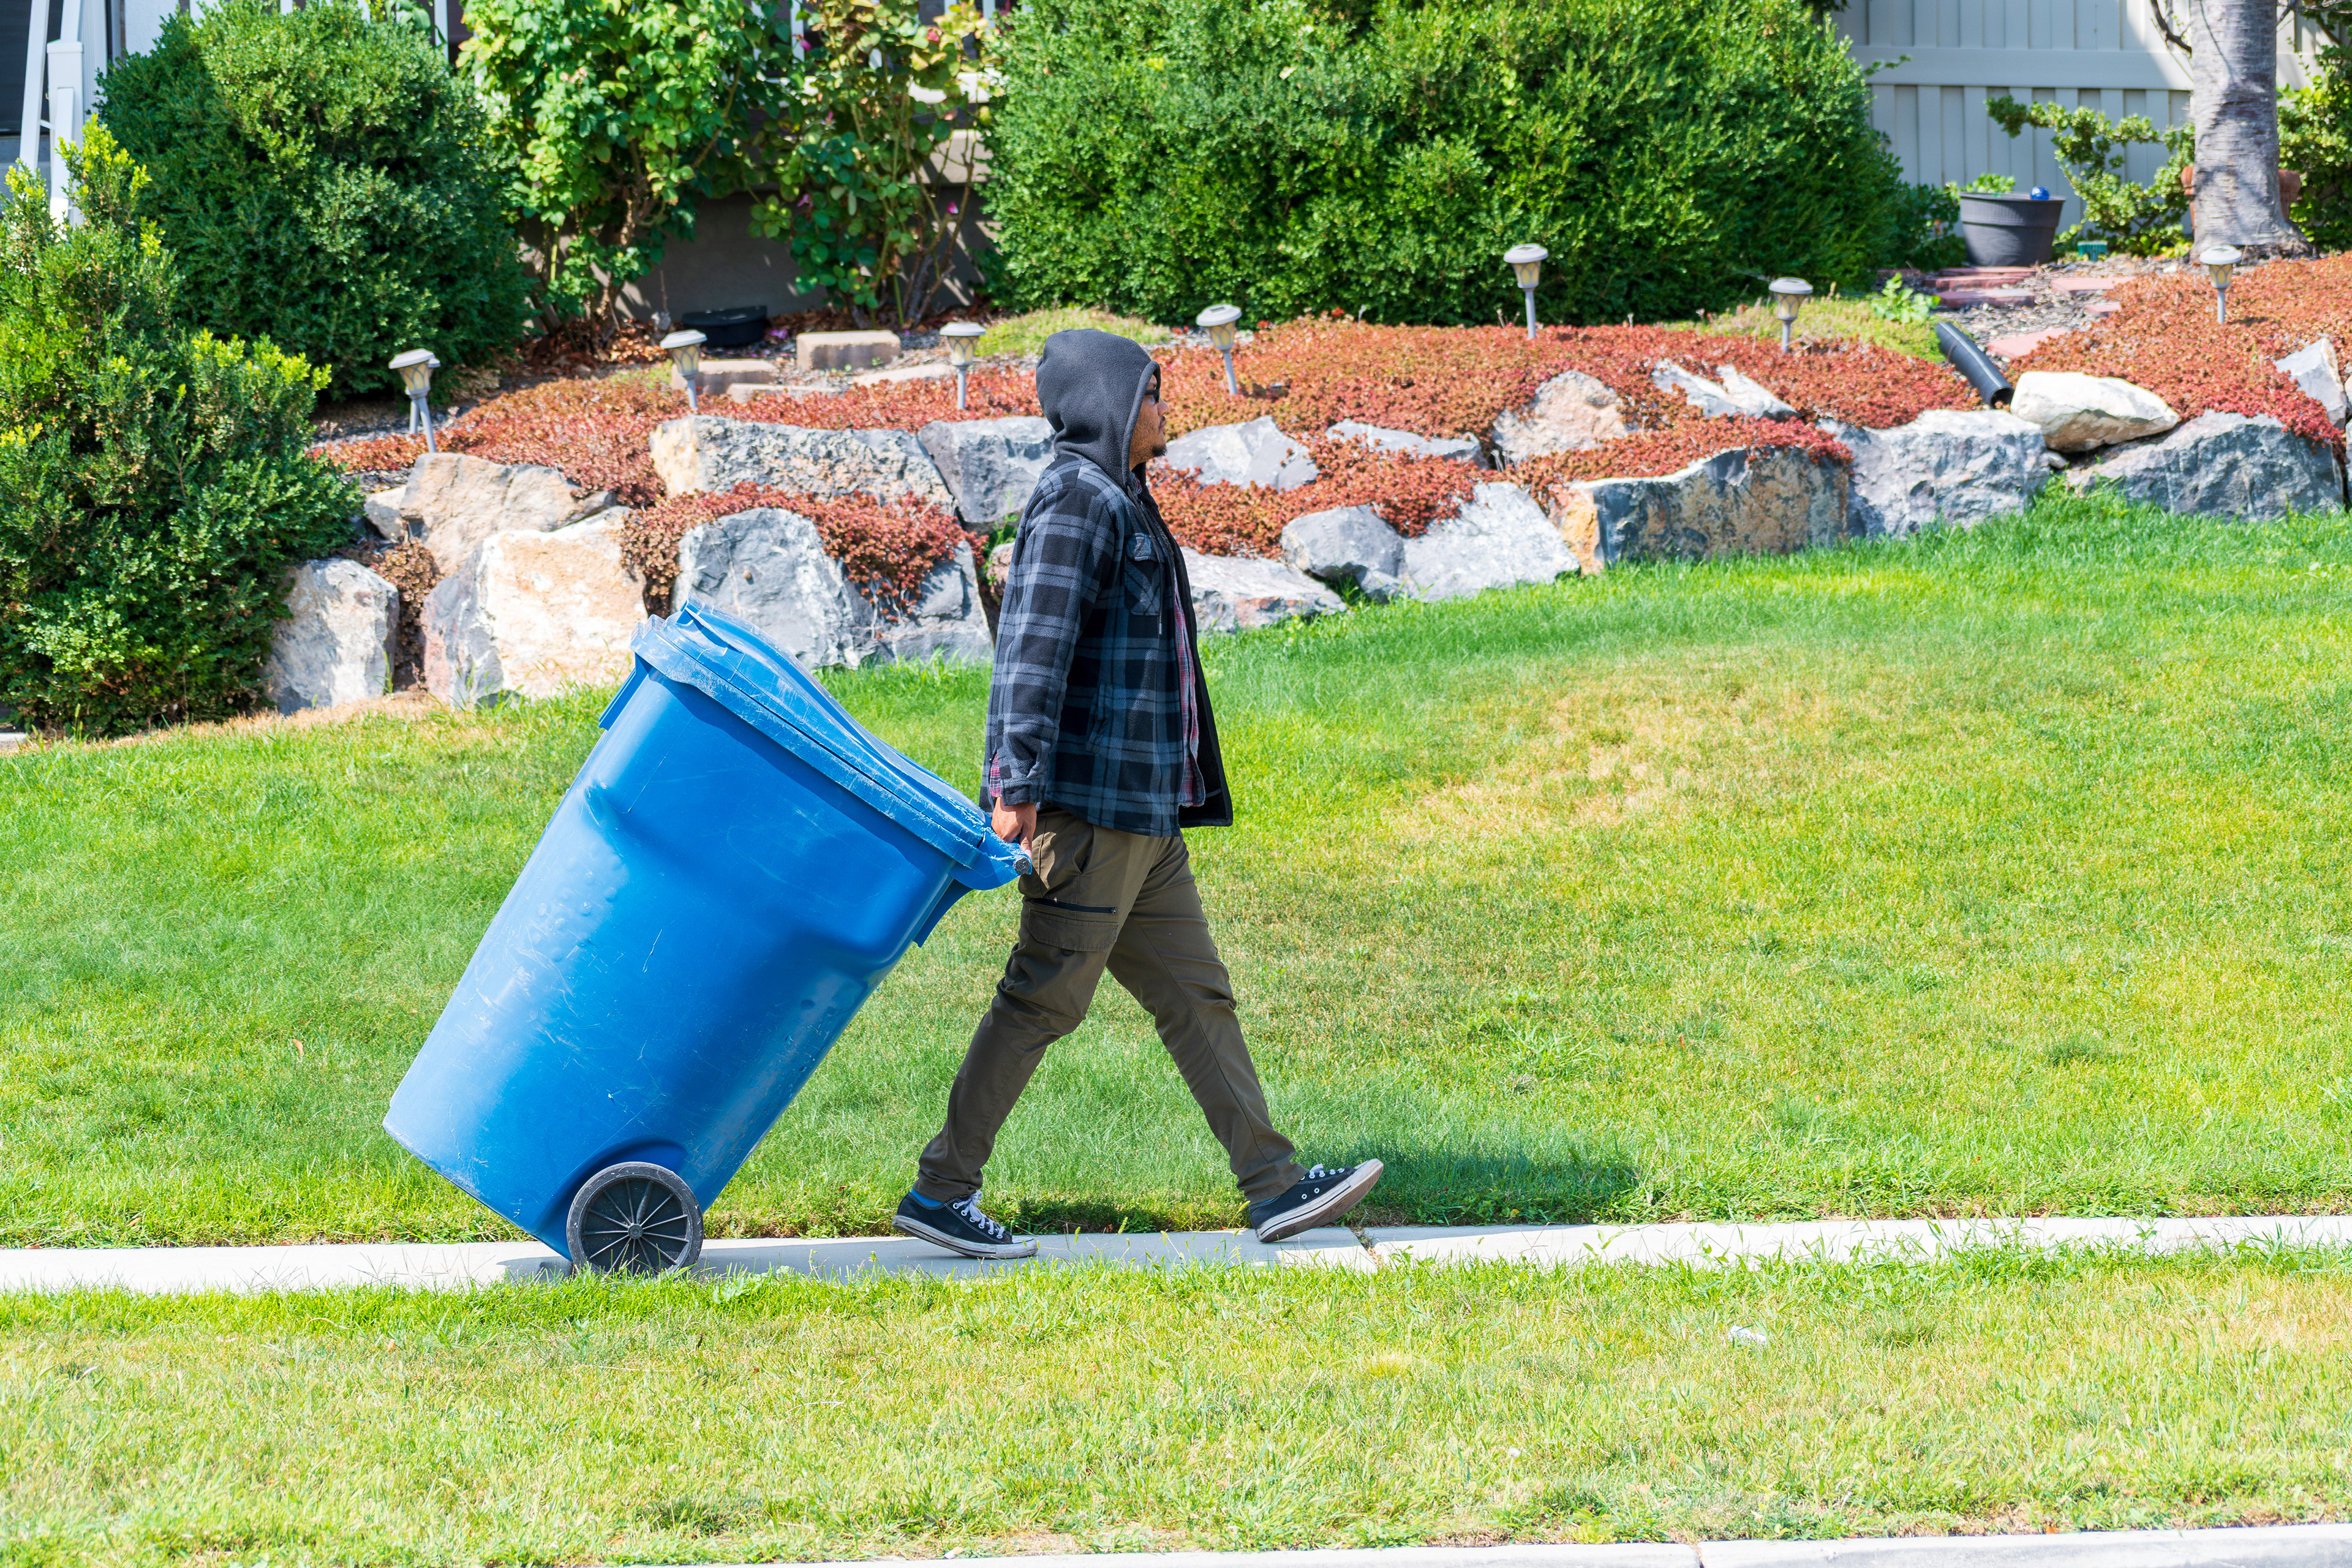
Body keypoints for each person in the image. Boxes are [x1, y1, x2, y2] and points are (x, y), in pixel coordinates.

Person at [891, 328, 1383, 1261]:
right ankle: (941, 1191)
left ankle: (1274, 1189)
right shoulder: (1077, 500)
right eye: (1153, 395)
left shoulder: (1125, 495)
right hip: (1089, 814)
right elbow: (1030, 652)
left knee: (1198, 997)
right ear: (1111, 405)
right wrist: (1015, 786)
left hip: (1145, 817)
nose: (1167, 410)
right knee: (1043, 1001)